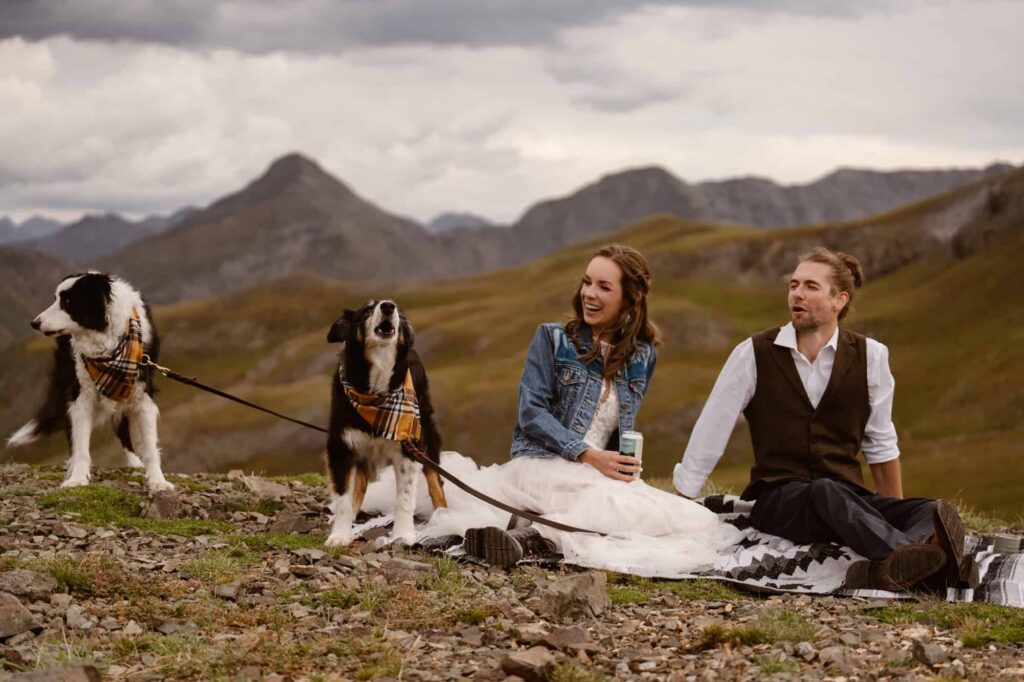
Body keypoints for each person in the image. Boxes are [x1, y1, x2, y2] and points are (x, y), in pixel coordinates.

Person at [673, 247, 969, 591]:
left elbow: (880, 442)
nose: (797, 294)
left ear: (838, 300)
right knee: (826, 492)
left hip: (848, 497)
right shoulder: (753, 353)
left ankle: (895, 566)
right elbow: (713, 427)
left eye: (810, 286)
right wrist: (681, 501)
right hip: (780, 501)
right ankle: (920, 564)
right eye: (794, 285)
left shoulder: (871, 356)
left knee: (928, 509)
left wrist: (889, 511)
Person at [458, 244, 743, 571]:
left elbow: (620, 428)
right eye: (587, 282)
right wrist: (588, 455)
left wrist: (622, 462)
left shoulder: (643, 356)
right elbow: (531, 414)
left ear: (630, 299)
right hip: (541, 466)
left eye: (604, 287)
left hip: (600, 476)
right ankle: (536, 538)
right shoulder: (552, 339)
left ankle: (534, 531)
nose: (589, 294)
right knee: (610, 502)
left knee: (700, 521)